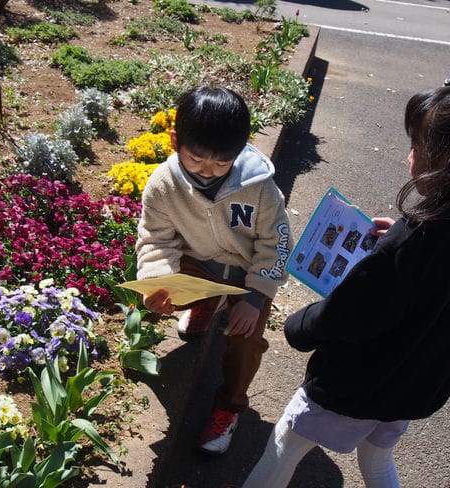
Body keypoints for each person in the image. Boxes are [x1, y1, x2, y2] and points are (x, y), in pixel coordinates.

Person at [243, 85, 450, 487]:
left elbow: (349, 314)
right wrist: (401, 235)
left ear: (447, 162)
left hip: (355, 384)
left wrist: (299, 325)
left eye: (417, 145)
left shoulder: (408, 246)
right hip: (414, 384)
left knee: (284, 444)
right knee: (377, 458)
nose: (409, 155)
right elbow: (440, 280)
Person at [135, 86, 293, 455]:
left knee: (246, 339)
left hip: (245, 274)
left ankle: (229, 405)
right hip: (197, 264)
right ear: (175, 141)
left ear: (239, 150)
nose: (208, 170)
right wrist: (158, 282)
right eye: (196, 158)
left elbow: (276, 245)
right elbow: (155, 238)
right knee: (160, 290)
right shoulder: (163, 183)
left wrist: (254, 297)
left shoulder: (261, 189)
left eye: (222, 163)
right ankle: (204, 302)